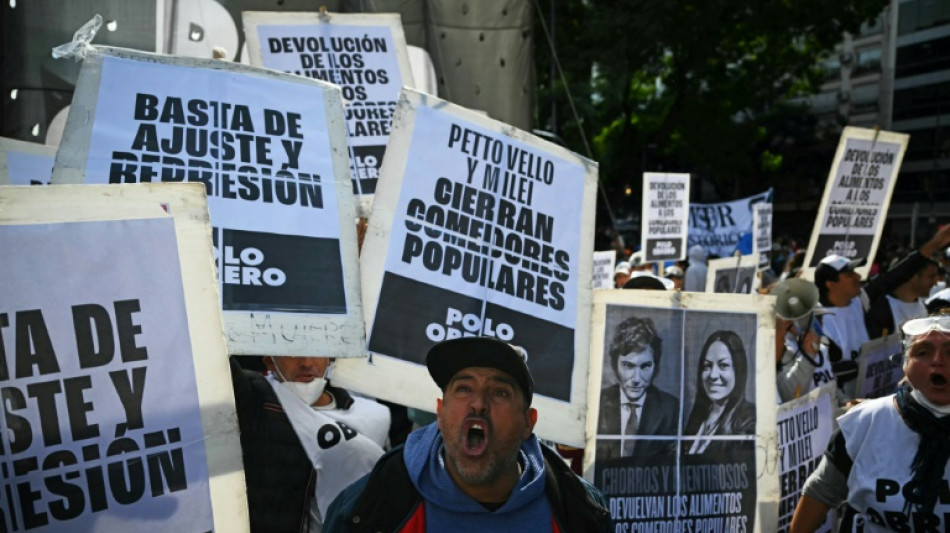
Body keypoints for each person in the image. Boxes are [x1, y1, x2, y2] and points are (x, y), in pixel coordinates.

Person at [323, 337, 611, 532]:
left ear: (528, 422)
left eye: (499, 392)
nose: (478, 403)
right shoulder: (371, 505)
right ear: (440, 413)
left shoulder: (578, 509)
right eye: (463, 388)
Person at [790, 314, 950, 532]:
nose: (937, 360)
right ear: (905, 364)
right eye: (923, 352)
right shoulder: (865, 422)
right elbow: (820, 493)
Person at [231, 356, 389, 532]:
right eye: (292, 353)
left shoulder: (373, 416)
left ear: (330, 358)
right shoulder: (254, 398)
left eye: (316, 351)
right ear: (269, 361)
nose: (306, 363)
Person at [813, 225, 950, 400]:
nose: (858, 277)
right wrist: (858, 367)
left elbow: (896, 275)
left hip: (868, 396)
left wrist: (933, 245)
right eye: (849, 274)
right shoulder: (817, 319)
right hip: (840, 400)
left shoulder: (859, 302)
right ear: (830, 284)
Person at [597, 316, 679, 460]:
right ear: (615, 365)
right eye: (628, 366)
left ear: (655, 367)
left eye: (645, 366)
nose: (636, 379)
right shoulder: (599, 401)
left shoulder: (669, 408)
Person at [684, 330, 755, 455]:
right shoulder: (697, 416)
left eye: (723, 365)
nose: (713, 375)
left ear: (738, 370)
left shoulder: (749, 421)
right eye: (707, 366)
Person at [865, 258, 940, 339]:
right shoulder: (882, 310)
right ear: (912, 276)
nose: (935, 283)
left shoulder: (923, 307)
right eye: (931, 277)